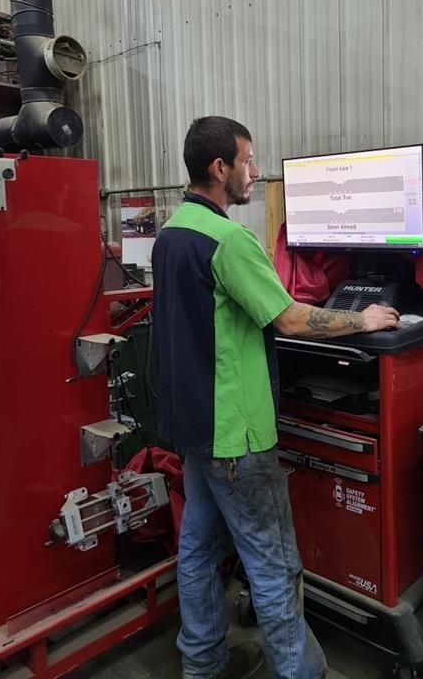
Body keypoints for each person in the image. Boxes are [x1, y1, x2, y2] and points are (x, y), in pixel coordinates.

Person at [152, 116, 399, 679]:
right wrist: (362, 319)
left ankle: (203, 665)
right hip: (237, 436)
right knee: (275, 564)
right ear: (220, 168)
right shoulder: (229, 241)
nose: (255, 172)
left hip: (195, 429)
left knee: (197, 552)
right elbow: (289, 318)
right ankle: (301, 672)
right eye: (248, 161)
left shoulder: (172, 232)